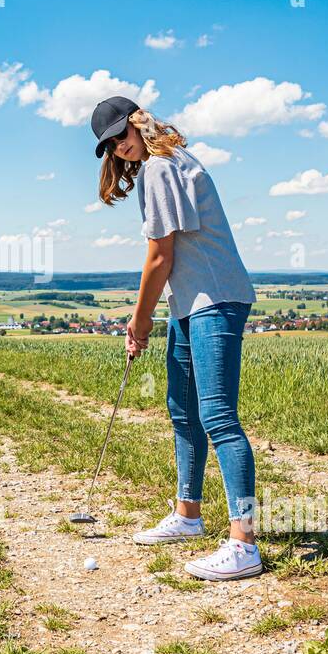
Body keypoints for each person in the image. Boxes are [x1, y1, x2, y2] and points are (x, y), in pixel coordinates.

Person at [90, 95, 262, 580]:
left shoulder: (160, 168)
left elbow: (160, 257)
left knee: (219, 418)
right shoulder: (169, 160)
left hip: (216, 300)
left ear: (137, 123)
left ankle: (244, 544)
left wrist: (139, 321)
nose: (120, 148)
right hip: (190, 304)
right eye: (110, 146)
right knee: (183, 410)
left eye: (121, 136)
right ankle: (188, 516)